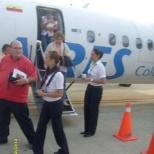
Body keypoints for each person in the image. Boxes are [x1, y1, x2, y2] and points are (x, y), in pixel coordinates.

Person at [0, 40, 37, 148]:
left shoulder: (27, 62)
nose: (18, 50)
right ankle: (2, 138)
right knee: (2, 120)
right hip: (3, 96)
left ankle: (33, 141)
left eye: (20, 48)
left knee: (24, 122)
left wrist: (25, 81)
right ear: (10, 49)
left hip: (18, 99)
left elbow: (34, 78)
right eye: (16, 48)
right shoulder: (5, 59)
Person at [32, 51, 69, 154]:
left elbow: (59, 94)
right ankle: (37, 150)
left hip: (55, 105)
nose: (45, 60)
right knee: (40, 127)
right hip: (47, 104)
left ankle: (64, 151)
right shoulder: (48, 72)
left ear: (52, 60)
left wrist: (43, 94)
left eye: (47, 58)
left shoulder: (58, 75)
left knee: (57, 129)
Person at [81, 49, 106, 137]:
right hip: (89, 88)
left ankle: (91, 131)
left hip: (96, 90)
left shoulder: (100, 66)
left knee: (93, 111)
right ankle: (86, 129)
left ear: (98, 55)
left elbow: (103, 81)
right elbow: (91, 75)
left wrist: (90, 79)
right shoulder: (92, 63)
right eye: (91, 54)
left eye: (93, 54)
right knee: (86, 109)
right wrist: (85, 77)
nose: (91, 56)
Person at [45, 31, 71, 106]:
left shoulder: (64, 45)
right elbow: (46, 53)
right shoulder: (51, 45)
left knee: (62, 84)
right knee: (52, 83)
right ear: (55, 39)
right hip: (53, 67)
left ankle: (63, 100)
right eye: (57, 39)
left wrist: (66, 54)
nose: (59, 41)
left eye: (60, 39)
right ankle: (53, 97)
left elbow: (70, 53)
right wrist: (46, 63)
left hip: (62, 67)